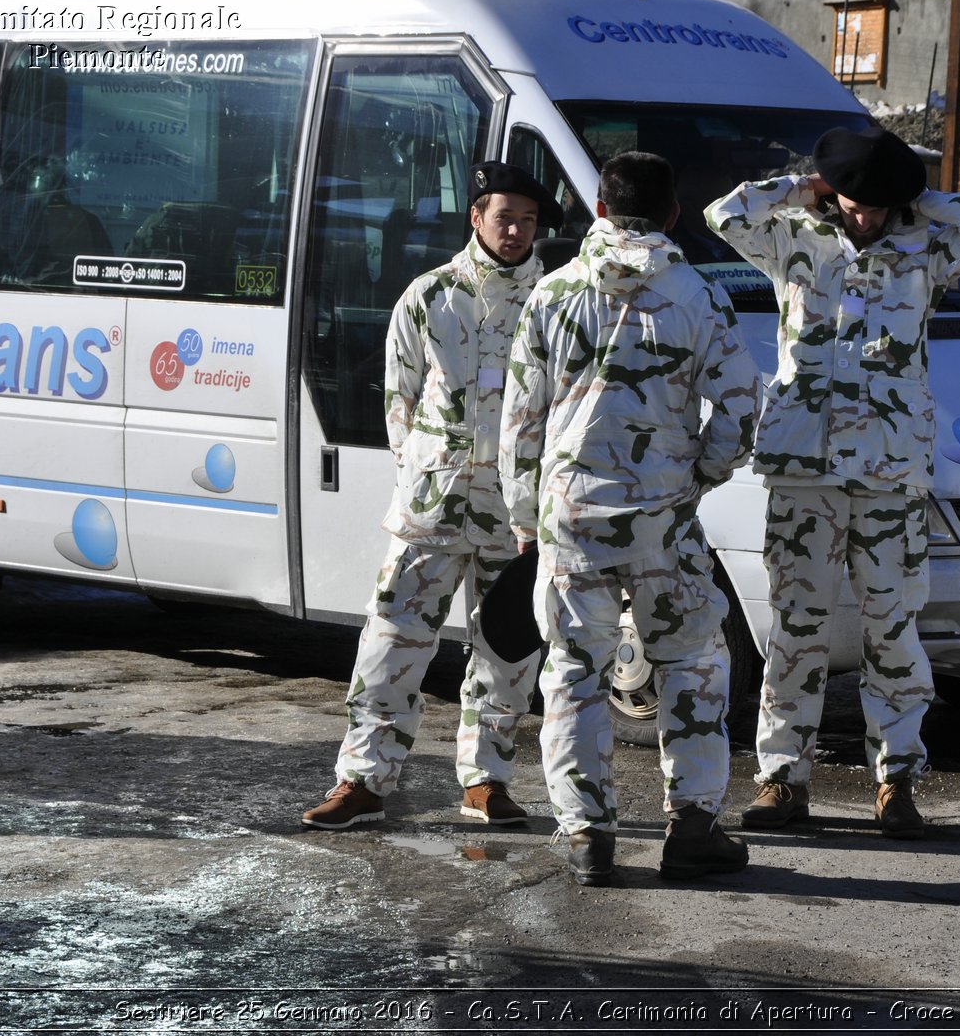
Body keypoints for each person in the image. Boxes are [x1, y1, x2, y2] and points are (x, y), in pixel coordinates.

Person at [705, 127, 960, 838]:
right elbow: (722, 215)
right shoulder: (792, 237)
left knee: (894, 630)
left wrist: (918, 202)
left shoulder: (924, 250)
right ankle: (783, 780)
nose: (867, 216)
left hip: (888, 472)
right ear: (829, 190)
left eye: (881, 205)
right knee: (796, 630)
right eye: (856, 201)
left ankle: (897, 781)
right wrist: (800, 189)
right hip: (804, 470)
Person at [500, 151, 762, 885]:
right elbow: (743, 405)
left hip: (571, 519)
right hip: (662, 521)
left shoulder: (551, 295)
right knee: (692, 665)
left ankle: (587, 836)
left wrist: (526, 518)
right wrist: (699, 474)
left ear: (600, 209)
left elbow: (519, 422)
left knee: (573, 674)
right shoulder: (698, 296)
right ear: (674, 213)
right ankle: (693, 827)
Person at [302, 162, 564, 831]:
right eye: (505, 217)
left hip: (517, 517)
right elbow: (401, 399)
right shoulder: (430, 295)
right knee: (389, 644)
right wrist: (429, 470)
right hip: (432, 510)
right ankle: (362, 780)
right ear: (476, 216)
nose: (516, 231)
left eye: (529, 221)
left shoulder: (555, 302)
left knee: (508, 652)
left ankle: (485, 781)